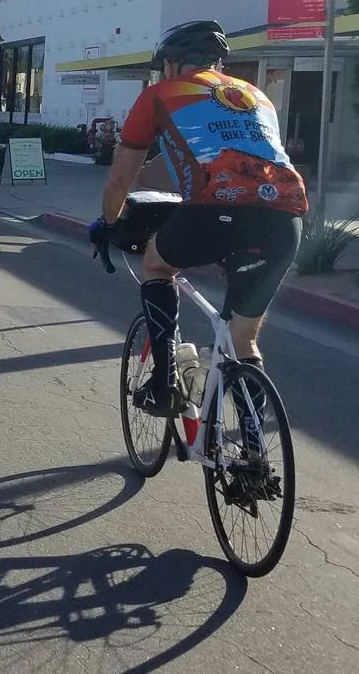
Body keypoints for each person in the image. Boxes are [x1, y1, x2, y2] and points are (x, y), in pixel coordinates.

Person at [90, 20, 306, 416]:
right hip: (284, 217)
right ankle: (253, 456)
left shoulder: (159, 95)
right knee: (243, 341)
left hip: (215, 211)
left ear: (171, 65)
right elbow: (170, 160)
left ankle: (163, 383)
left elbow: (120, 177)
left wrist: (109, 222)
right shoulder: (257, 96)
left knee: (157, 265)